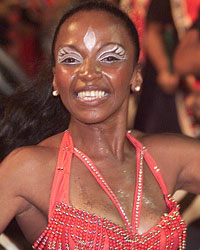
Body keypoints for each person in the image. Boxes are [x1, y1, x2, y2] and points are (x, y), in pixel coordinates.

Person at [0, 1, 200, 249]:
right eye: (71, 59)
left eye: (109, 57)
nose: (88, 72)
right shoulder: (30, 168)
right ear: (55, 78)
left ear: (136, 74)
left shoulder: (166, 156)